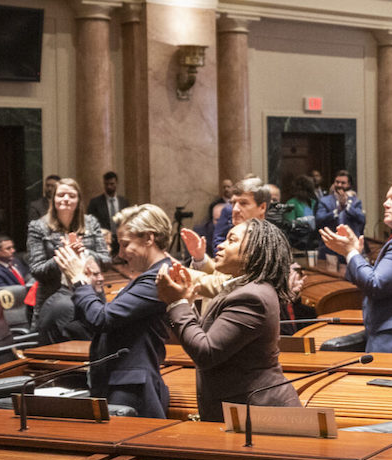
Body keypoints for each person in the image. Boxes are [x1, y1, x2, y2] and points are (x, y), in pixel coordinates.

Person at [156, 218, 301, 423]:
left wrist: (177, 303)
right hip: (242, 413)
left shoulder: (252, 297)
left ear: (253, 250)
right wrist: (186, 303)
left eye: (231, 240)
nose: (220, 245)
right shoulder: (241, 288)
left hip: (260, 417)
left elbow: (206, 352)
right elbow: (206, 335)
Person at [53, 203, 173, 419]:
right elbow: (99, 320)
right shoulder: (150, 276)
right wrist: (85, 280)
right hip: (122, 382)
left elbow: (102, 319)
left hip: (131, 388)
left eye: (125, 244)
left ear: (149, 238)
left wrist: (80, 281)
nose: (120, 254)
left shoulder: (160, 278)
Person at [319, 178, 392, 353]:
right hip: (391, 331)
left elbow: (376, 284)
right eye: (387, 198)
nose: (386, 203)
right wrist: (357, 255)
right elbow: (382, 278)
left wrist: (350, 253)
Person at [26, 177, 112, 312]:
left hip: (90, 297)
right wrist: (65, 256)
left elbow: (106, 262)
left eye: (72, 196)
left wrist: (85, 253)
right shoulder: (38, 227)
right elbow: (37, 271)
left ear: (78, 201)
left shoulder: (91, 223)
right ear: (53, 199)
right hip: (53, 300)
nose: (66, 199)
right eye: (60, 195)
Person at [33, 252, 105, 345]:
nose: (101, 278)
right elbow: (89, 343)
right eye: (95, 274)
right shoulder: (70, 306)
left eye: (100, 273)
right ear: (76, 275)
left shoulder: (65, 297)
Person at [313, 170, 365, 259]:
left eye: (343, 183)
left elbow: (362, 219)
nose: (339, 185)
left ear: (349, 185)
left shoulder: (355, 202)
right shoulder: (325, 201)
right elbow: (319, 219)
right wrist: (337, 211)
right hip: (328, 249)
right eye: (337, 182)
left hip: (350, 249)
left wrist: (347, 206)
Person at [86, 171, 128, 237]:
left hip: (121, 237)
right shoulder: (95, 203)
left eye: (112, 184)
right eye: (106, 184)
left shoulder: (124, 202)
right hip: (104, 238)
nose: (109, 187)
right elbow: (90, 222)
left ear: (116, 183)